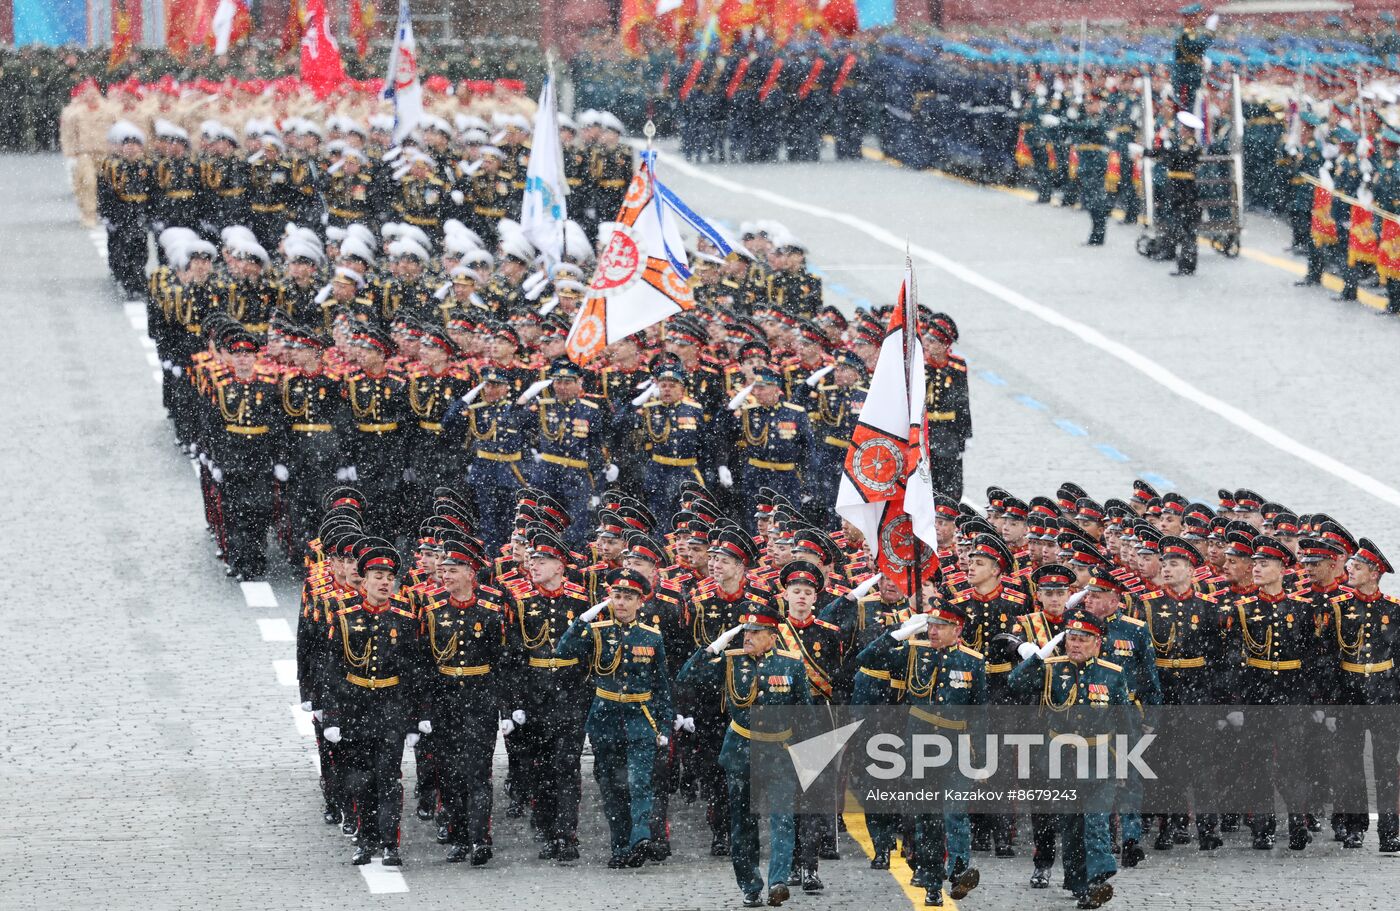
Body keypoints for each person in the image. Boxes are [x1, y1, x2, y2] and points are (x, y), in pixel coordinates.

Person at [678, 600, 812, 908]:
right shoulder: (730, 662)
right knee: (742, 823)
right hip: (741, 750)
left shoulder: (791, 665)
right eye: (745, 632)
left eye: (755, 632)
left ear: (772, 636)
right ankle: (750, 885)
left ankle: (778, 880)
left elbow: (805, 715)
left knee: (782, 820)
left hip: (780, 751)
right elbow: (686, 677)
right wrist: (715, 647)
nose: (747, 638)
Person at [857, 600, 985, 907]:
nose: (934, 632)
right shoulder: (914, 652)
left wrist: (981, 756)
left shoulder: (972, 661)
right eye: (931, 626)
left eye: (941, 627)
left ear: (958, 630)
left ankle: (958, 872)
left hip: (956, 745)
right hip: (921, 745)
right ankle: (930, 880)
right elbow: (865, 659)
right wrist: (898, 635)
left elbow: (980, 713)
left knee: (955, 812)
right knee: (927, 817)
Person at [1008, 608, 1129, 910]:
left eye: (1083, 639)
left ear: (1097, 643)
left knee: (1096, 820)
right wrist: (1040, 655)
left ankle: (1098, 878)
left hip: (1100, 757)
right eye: (1071, 638)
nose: (1075, 644)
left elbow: (1125, 723)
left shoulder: (1112, 674)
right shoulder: (1050, 668)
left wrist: (1126, 762)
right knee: (1072, 826)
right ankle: (1078, 883)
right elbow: (1015, 683)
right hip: (1061, 759)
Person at [556, 568, 674, 867]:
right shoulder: (597, 631)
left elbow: (661, 685)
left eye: (627, 597)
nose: (620, 602)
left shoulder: (652, 637)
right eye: (616, 596)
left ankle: (641, 836)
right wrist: (582, 620)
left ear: (640, 602)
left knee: (639, 781)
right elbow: (563, 651)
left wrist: (664, 725)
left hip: (639, 716)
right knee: (611, 786)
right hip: (605, 717)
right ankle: (621, 848)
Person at [321, 540, 428, 867]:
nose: (384, 582)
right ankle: (365, 841)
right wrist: (332, 718)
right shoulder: (344, 617)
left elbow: (414, 673)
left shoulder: (404, 619)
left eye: (389, 577)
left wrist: (414, 719)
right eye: (377, 576)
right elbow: (333, 671)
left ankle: (389, 843)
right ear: (363, 580)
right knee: (359, 779)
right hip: (356, 708)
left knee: (388, 779)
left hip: (390, 707)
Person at [503, 528, 594, 861]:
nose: (535, 564)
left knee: (567, 765)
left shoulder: (581, 599)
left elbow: (591, 652)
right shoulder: (520, 600)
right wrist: (514, 703)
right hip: (535, 693)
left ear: (560, 565)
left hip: (570, 692)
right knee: (539, 766)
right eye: (534, 559)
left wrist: (587, 692)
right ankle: (545, 825)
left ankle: (566, 833)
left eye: (543, 560)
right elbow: (512, 655)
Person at [421, 534, 509, 864]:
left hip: (479, 697)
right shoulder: (431, 611)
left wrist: (504, 706)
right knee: (450, 773)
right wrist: (425, 708)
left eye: (453, 569)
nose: (446, 574)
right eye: (443, 569)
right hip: (446, 699)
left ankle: (479, 838)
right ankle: (458, 835)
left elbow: (504, 660)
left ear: (471, 573)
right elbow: (425, 662)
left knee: (478, 772)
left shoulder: (490, 609)